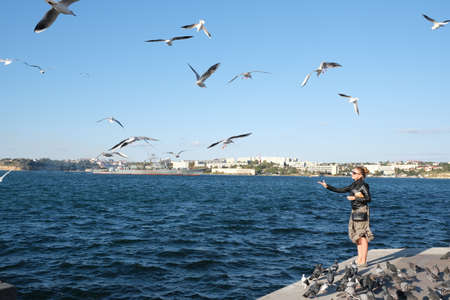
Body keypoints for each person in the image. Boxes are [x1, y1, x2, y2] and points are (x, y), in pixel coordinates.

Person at [317, 166, 374, 267]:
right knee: (357, 235)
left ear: (360, 175)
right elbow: (341, 190)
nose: (351, 174)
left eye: (354, 173)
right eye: (352, 172)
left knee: (363, 235)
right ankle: (360, 258)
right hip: (355, 210)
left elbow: (368, 199)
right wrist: (327, 186)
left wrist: (354, 197)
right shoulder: (354, 184)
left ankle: (363, 260)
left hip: (362, 210)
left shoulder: (364, 185)